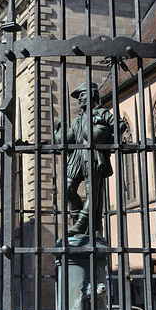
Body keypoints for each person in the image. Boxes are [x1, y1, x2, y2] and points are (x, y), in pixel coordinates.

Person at [54, 82, 126, 236]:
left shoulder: (101, 112)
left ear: (92, 95)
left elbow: (120, 125)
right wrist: (57, 131)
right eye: (79, 96)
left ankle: (81, 224)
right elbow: (67, 139)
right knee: (68, 189)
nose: (79, 99)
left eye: (82, 95)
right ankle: (79, 221)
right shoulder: (77, 120)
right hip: (76, 157)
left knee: (91, 192)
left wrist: (104, 136)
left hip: (92, 156)